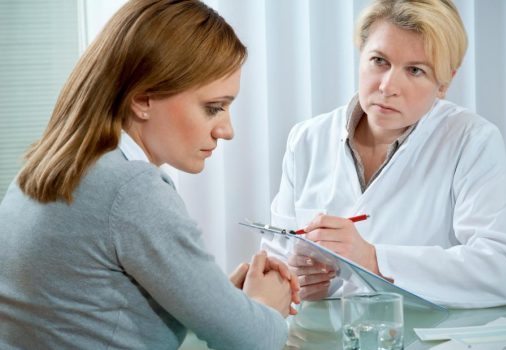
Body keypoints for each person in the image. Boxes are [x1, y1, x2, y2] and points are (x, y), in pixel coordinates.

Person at [0, 1, 299, 349]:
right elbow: (254, 341)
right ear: (143, 100)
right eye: (213, 108)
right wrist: (265, 308)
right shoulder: (131, 190)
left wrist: (223, 305)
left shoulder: (42, 169)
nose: (227, 130)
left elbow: (87, 313)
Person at [266, 0, 506, 309]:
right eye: (379, 60)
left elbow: (505, 271)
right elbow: (275, 256)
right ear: (361, 54)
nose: (388, 86)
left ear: (444, 83)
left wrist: (374, 259)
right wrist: (294, 279)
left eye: (415, 70)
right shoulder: (307, 139)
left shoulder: (471, 141)